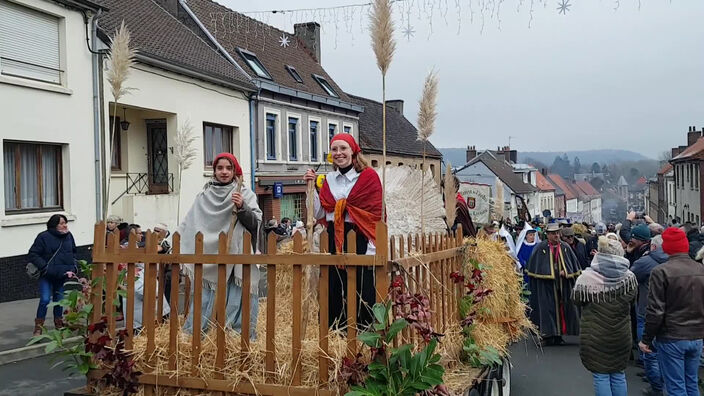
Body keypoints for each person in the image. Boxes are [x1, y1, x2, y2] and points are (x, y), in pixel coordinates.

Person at [304, 133, 382, 329]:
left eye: (343, 148)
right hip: (333, 238)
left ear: (353, 151)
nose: (338, 153)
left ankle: (364, 331)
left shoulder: (368, 177)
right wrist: (311, 188)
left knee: (362, 288)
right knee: (334, 287)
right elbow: (321, 211)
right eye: (334, 149)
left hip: (360, 235)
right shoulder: (329, 179)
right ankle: (336, 332)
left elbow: (375, 213)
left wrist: (373, 247)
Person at [180, 152, 262, 335]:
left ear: (234, 171)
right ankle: (201, 333)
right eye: (219, 168)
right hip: (210, 256)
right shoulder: (204, 195)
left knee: (236, 295)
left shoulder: (244, 193)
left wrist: (242, 207)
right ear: (214, 171)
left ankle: (235, 333)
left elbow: (255, 223)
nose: (224, 172)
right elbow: (190, 223)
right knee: (206, 297)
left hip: (238, 254)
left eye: (228, 168)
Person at [639, 227, 704, 396]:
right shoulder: (700, 269)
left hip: (672, 335)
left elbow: (655, 311)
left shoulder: (661, 272)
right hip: (696, 335)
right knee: (691, 383)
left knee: (675, 386)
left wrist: (646, 338)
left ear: (666, 247)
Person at [573, 236, 637, 396]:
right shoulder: (629, 278)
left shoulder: (586, 279)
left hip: (595, 334)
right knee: (618, 374)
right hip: (621, 334)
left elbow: (576, 300)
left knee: (601, 375)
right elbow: (633, 299)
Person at [526, 222, 582, 346]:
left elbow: (574, 266)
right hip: (546, 286)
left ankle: (558, 335)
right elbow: (534, 267)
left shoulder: (565, 247)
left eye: (557, 233)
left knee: (563, 309)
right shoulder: (540, 248)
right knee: (547, 310)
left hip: (563, 285)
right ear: (547, 235)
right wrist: (548, 272)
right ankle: (547, 336)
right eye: (553, 234)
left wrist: (566, 272)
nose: (556, 236)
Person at [28, 214, 78, 336]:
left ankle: (59, 324)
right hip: (47, 275)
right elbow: (33, 254)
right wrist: (45, 268)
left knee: (59, 301)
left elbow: (73, 252)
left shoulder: (69, 236)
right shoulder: (43, 237)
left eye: (65, 222)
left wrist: (74, 267)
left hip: (62, 275)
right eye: (61, 223)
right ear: (54, 225)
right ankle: (39, 327)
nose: (65, 225)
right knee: (45, 299)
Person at [631, 235, 667, 396]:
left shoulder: (646, 262)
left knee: (649, 349)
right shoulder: (676, 262)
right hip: (673, 315)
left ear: (653, 247)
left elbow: (631, 278)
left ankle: (656, 385)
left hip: (647, 308)